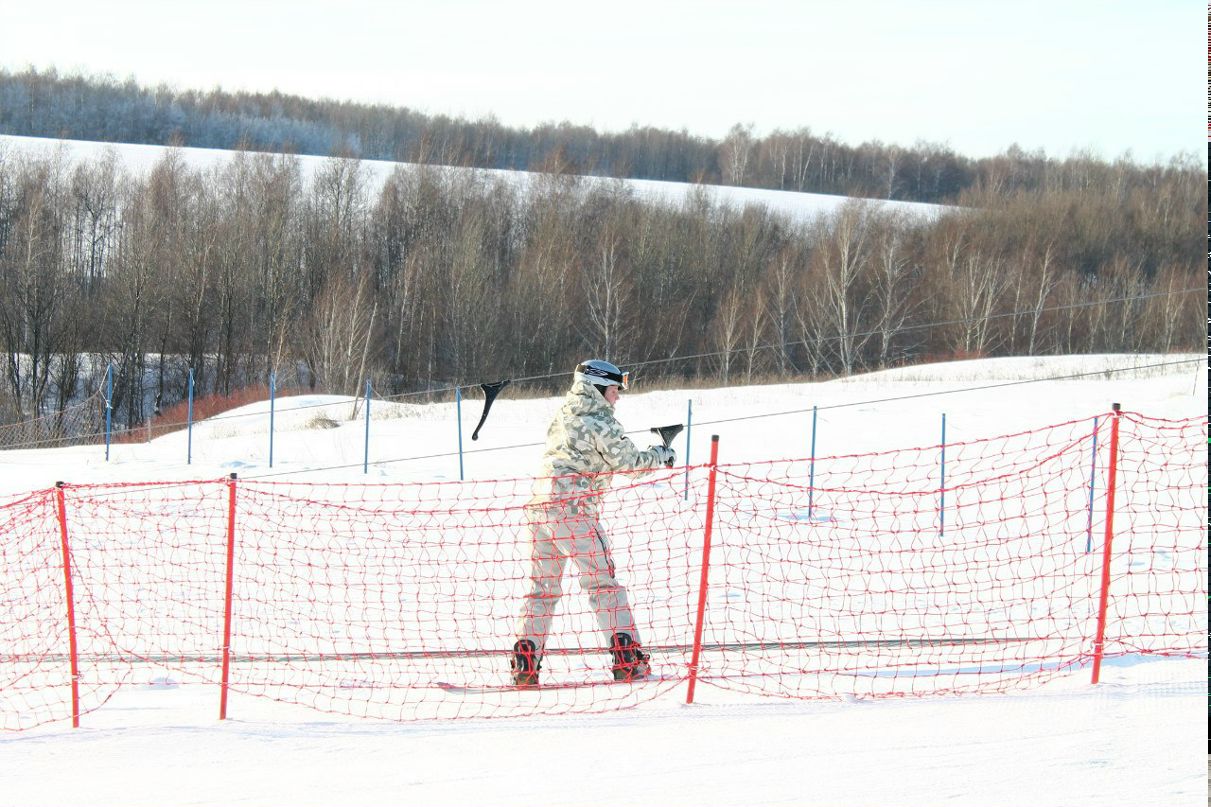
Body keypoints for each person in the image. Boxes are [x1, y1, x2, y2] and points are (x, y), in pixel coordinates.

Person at [511, 359, 675, 687]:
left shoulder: (563, 414)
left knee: (542, 589)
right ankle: (627, 659)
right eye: (615, 390)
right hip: (575, 512)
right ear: (598, 388)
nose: (617, 397)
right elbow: (631, 465)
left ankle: (526, 659)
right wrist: (662, 453)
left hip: (539, 509)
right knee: (602, 584)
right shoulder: (600, 421)